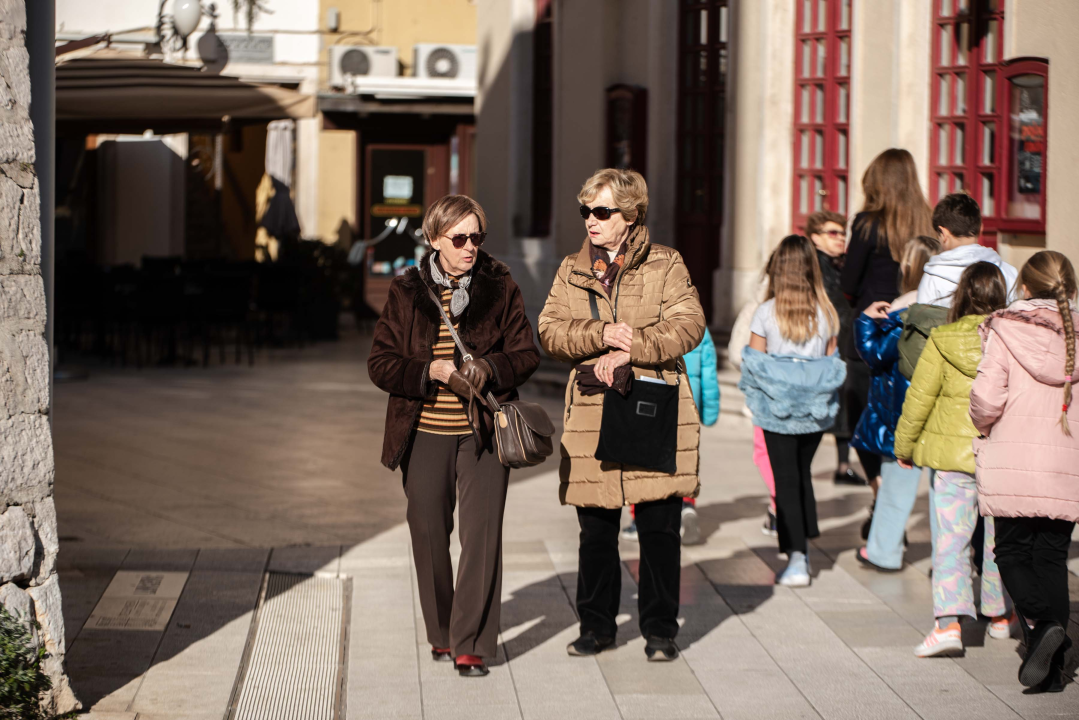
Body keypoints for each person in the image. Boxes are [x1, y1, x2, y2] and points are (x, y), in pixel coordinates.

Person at [368, 194, 540, 678]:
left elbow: (527, 354)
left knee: (482, 537)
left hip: (484, 431)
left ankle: (472, 644)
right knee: (427, 533)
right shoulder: (406, 290)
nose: (470, 247)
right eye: (459, 238)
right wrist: (430, 371)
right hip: (423, 432)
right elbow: (380, 364)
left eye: (476, 237)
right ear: (434, 238)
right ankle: (442, 631)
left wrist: (489, 366)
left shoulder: (500, 284)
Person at [538, 168, 705, 662]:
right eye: (586, 210)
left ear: (630, 216)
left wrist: (637, 345)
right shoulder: (571, 268)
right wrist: (600, 334)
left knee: (658, 527)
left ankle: (659, 630)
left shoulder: (665, 264)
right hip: (592, 409)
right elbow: (549, 329)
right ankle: (596, 627)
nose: (591, 220)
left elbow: (690, 322)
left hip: (654, 404)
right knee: (596, 530)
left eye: (602, 211)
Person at [969, 250, 1079, 692]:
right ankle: (1055, 666)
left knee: (1011, 553)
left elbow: (986, 398)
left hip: (1014, 459)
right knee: (1052, 558)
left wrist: (981, 425)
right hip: (1065, 462)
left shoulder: (1006, 328)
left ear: (1026, 286)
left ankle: (1046, 627)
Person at [893, 262, 1011, 658]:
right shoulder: (1012, 341)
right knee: (1001, 543)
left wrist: (904, 447)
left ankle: (948, 626)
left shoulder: (942, 339)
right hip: (999, 456)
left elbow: (919, 399)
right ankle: (999, 617)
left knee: (951, 542)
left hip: (950, 459)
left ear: (961, 296)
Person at [738, 235, 846, 587]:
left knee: (785, 481)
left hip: (776, 410)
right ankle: (803, 542)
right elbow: (832, 364)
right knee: (800, 474)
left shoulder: (766, 312)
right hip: (814, 412)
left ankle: (797, 556)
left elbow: (753, 362)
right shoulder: (826, 311)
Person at [840, 149, 935, 513]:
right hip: (916, 328)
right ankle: (893, 499)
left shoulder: (867, 223)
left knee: (863, 417)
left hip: (873, 328)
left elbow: (849, 282)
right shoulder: (928, 220)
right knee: (903, 416)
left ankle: (880, 492)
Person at [852, 235, 941, 571]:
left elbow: (876, 355)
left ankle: (883, 552)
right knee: (942, 492)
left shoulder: (903, 310)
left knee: (896, 486)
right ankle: (947, 561)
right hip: (940, 411)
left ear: (909, 266)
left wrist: (864, 320)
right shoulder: (950, 307)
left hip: (902, 413)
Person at [623, 329, 718, 545]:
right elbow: (709, 370)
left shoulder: (647, 317)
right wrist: (709, 411)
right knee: (683, 456)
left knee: (642, 461)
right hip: (687, 400)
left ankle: (639, 518)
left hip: (651, 397)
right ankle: (686, 504)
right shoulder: (697, 326)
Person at [807, 210, 862, 486]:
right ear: (815, 237)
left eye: (842, 233)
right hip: (823, 346)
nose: (840, 238)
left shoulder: (839, 264)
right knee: (821, 410)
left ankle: (843, 466)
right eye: (833, 233)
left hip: (842, 342)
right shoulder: (813, 265)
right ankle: (802, 468)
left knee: (843, 407)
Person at [918, 193, 1019, 307]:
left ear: (943, 233)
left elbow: (922, 320)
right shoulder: (1008, 271)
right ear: (981, 229)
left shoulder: (933, 277)